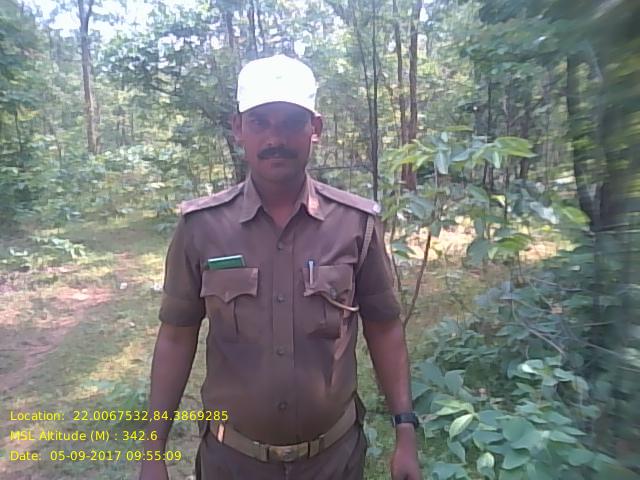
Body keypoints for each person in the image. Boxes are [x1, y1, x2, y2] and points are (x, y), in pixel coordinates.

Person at [139, 54, 422, 480]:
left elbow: (384, 328)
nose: (276, 138)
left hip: (334, 461)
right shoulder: (202, 227)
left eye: (291, 122)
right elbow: (177, 338)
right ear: (238, 128)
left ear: (315, 128)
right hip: (232, 462)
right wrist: (152, 453)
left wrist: (405, 432)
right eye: (260, 122)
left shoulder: (355, 223)